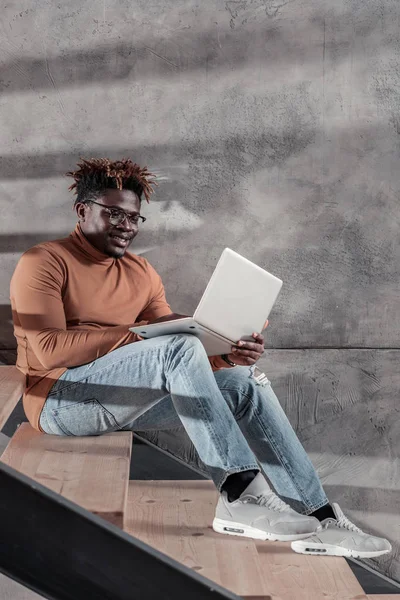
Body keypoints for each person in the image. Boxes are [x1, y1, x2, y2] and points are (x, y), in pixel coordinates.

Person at [10, 158, 391, 559]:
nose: (126, 225)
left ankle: (320, 517)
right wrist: (136, 336)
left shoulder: (142, 273)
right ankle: (239, 492)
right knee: (176, 345)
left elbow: (182, 360)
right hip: (58, 401)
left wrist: (228, 353)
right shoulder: (45, 261)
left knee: (243, 384)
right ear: (83, 210)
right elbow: (48, 349)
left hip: (121, 397)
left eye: (135, 218)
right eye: (114, 214)